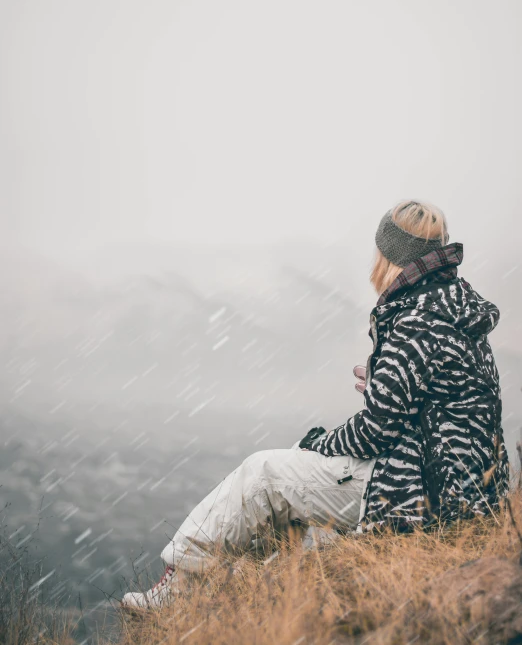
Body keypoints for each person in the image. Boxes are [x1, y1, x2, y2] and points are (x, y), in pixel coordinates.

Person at [121, 200, 509, 609]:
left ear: (392, 256)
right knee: (286, 478)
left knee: (263, 474)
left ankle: (180, 587)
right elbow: (442, 404)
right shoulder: (455, 307)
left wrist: (322, 443)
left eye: (379, 251)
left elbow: (378, 429)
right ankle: (240, 589)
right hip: (463, 489)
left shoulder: (417, 319)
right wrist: (383, 384)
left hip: (418, 491)